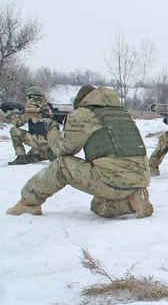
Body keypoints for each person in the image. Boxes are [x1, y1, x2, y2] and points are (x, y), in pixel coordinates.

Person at [6, 85, 153, 218]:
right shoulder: (123, 114)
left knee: (61, 165)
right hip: (140, 178)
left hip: (112, 180)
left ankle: (28, 203)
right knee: (98, 205)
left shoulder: (84, 114)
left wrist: (52, 130)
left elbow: (62, 150)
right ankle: (132, 202)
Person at [7, 87, 55, 165]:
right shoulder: (47, 106)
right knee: (31, 157)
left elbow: (17, 123)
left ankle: (21, 157)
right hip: (51, 142)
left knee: (13, 130)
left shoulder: (32, 108)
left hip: (40, 141)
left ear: (30, 97)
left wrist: (7, 113)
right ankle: (48, 153)